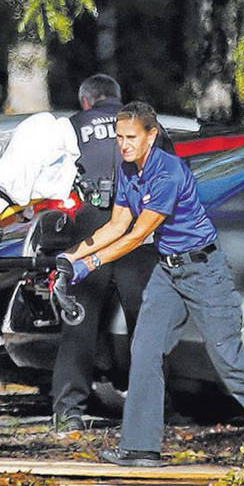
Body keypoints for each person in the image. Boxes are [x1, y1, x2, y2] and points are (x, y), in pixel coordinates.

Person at [57, 101, 244, 465]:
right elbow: (115, 225)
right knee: (145, 350)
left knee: (228, 358)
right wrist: (71, 257)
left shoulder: (168, 172)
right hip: (168, 272)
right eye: (119, 138)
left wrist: (91, 262)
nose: (123, 145)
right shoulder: (128, 170)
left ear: (151, 136)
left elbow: (138, 233)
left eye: (130, 138)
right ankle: (140, 448)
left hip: (203, 269)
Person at [50, 75, 174, 432]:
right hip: (139, 227)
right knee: (146, 325)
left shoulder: (72, 127)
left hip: (91, 226)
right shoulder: (147, 126)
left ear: (86, 101)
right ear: (119, 100)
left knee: (80, 321)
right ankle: (154, 411)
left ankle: (68, 411)